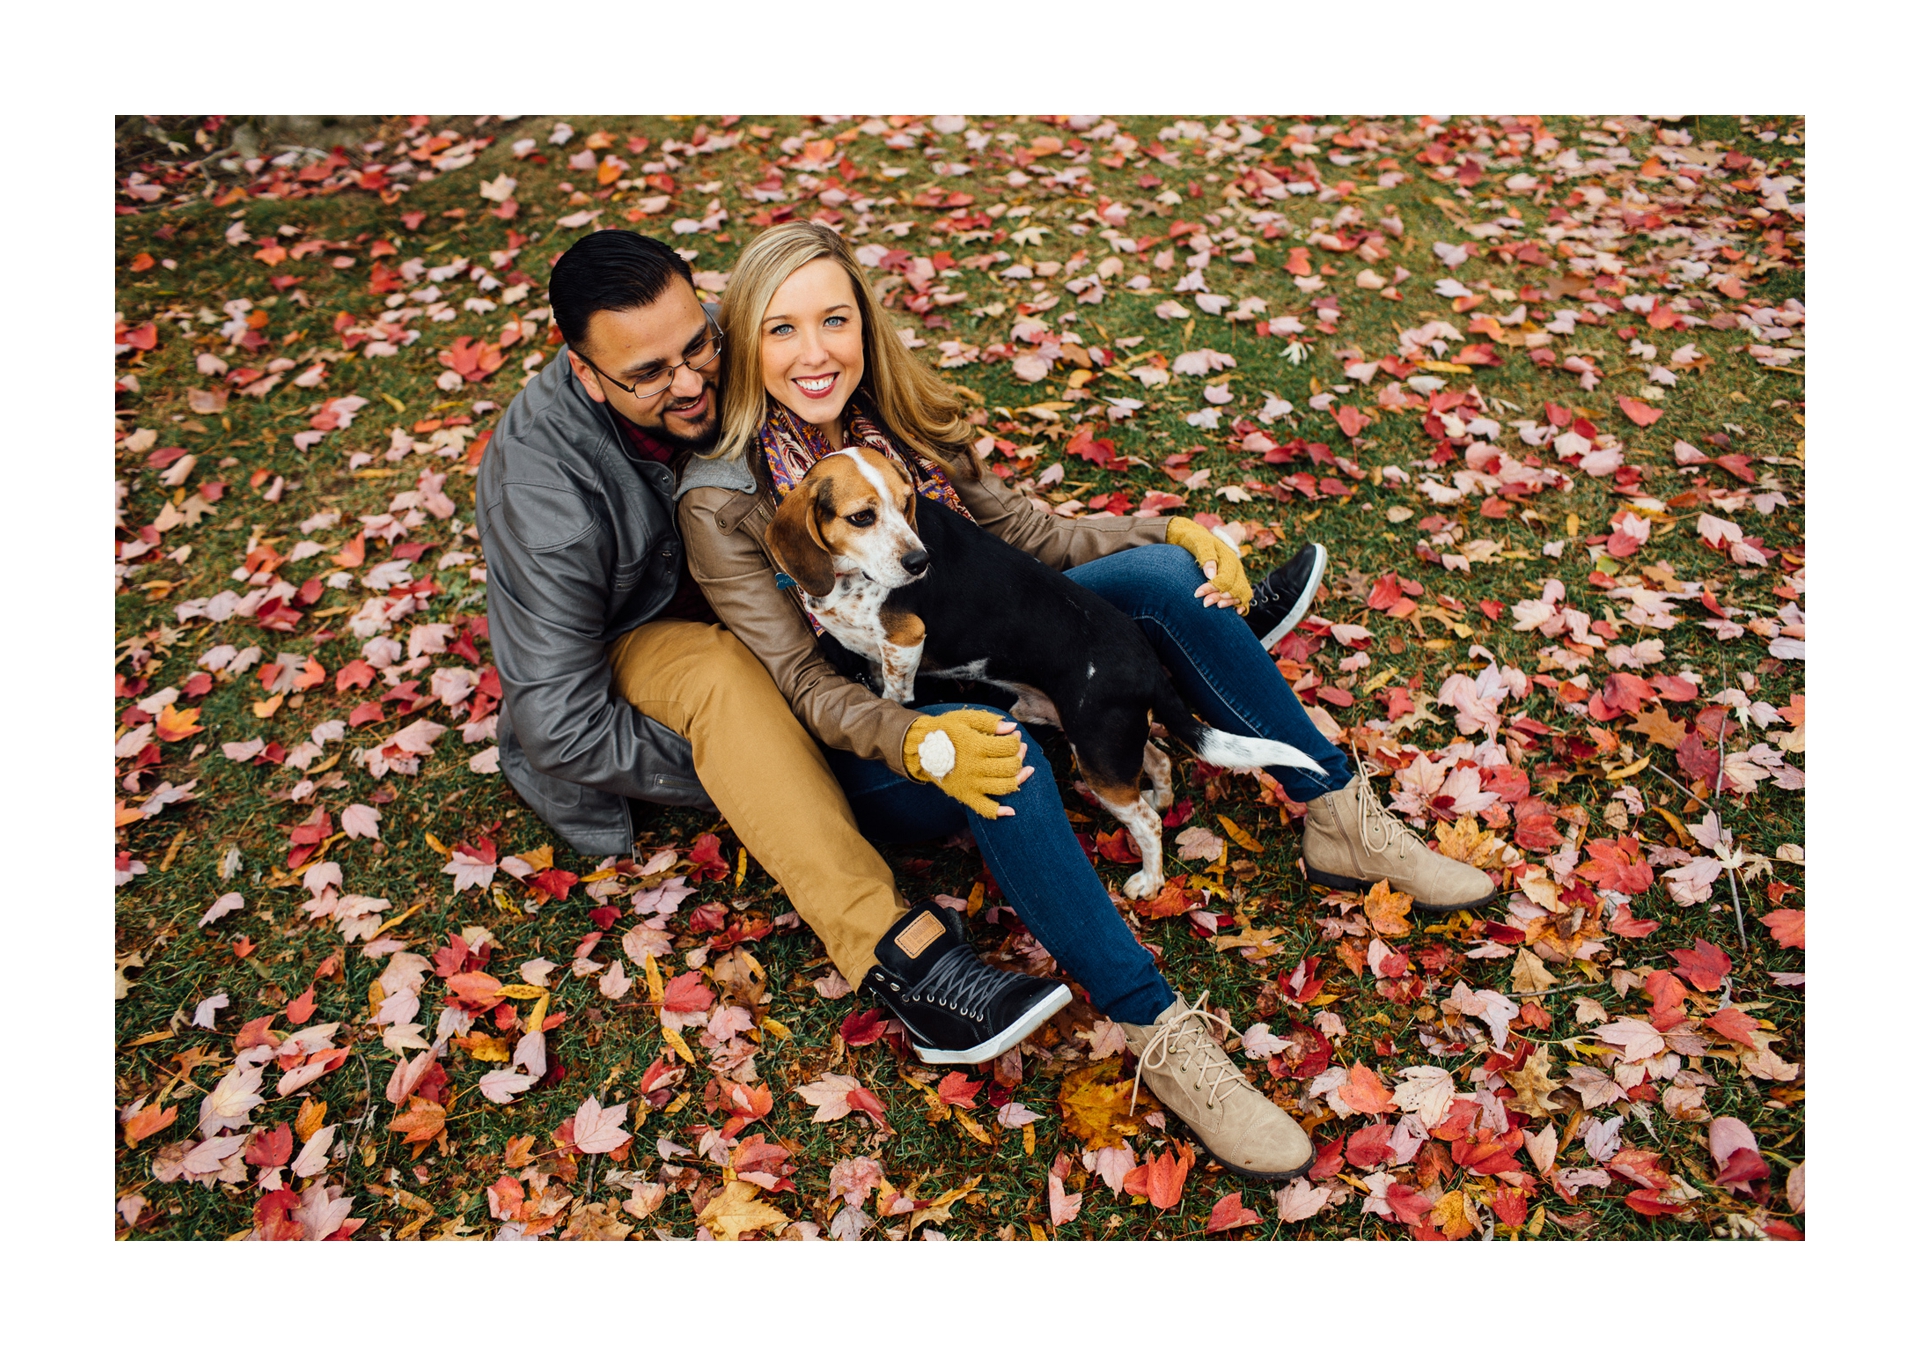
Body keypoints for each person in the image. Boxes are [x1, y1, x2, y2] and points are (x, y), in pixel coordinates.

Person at [676, 221, 1498, 1181]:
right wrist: (915, 740)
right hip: (878, 741)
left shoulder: (894, 418)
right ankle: (1159, 1030)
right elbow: (809, 686)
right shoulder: (725, 501)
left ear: (866, 323)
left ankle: (1338, 812)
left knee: (1153, 579)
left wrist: (1172, 531)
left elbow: (1028, 533)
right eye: (781, 330)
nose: (814, 353)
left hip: (979, 652)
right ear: (745, 343)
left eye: (834, 320)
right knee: (993, 745)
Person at [475, 230, 1074, 1069]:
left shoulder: (754, 340)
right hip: (647, 639)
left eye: (698, 346)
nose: (691, 384)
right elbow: (559, 720)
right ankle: (907, 964)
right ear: (585, 372)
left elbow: (975, 506)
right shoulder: (543, 494)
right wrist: (768, 759)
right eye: (648, 375)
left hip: (803, 603)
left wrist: (1145, 552)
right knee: (729, 680)